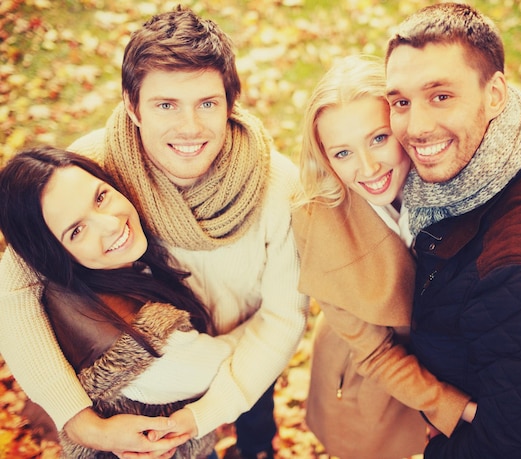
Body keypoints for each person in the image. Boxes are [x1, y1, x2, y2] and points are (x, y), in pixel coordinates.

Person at [0, 6, 308, 459]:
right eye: (166, 105)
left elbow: (283, 318)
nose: (190, 128)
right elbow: (15, 290)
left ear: (231, 102)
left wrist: (208, 411)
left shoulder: (277, 184)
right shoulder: (94, 168)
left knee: (257, 425)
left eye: (207, 103)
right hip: (157, 358)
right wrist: (81, 422)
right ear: (133, 107)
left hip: (249, 354)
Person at [384, 3, 521, 458]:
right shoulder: (510, 142)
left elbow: (513, 446)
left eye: (441, 95)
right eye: (401, 102)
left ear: (496, 93)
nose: (417, 127)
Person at [292, 55, 476, 459]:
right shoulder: (319, 227)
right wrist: (458, 408)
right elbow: (375, 353)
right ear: (324, 158)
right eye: (343, 153)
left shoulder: (451, 178)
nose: (369, 167)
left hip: (452, 362)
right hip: (368, 375)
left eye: (378, 138)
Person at [0, 147, 235, 459]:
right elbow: (225, 366)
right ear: (52, 256)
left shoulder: (105, 271)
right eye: (77, 230)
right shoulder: (128, 340)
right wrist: (269, 319)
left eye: (100, 197)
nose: (110, 225)